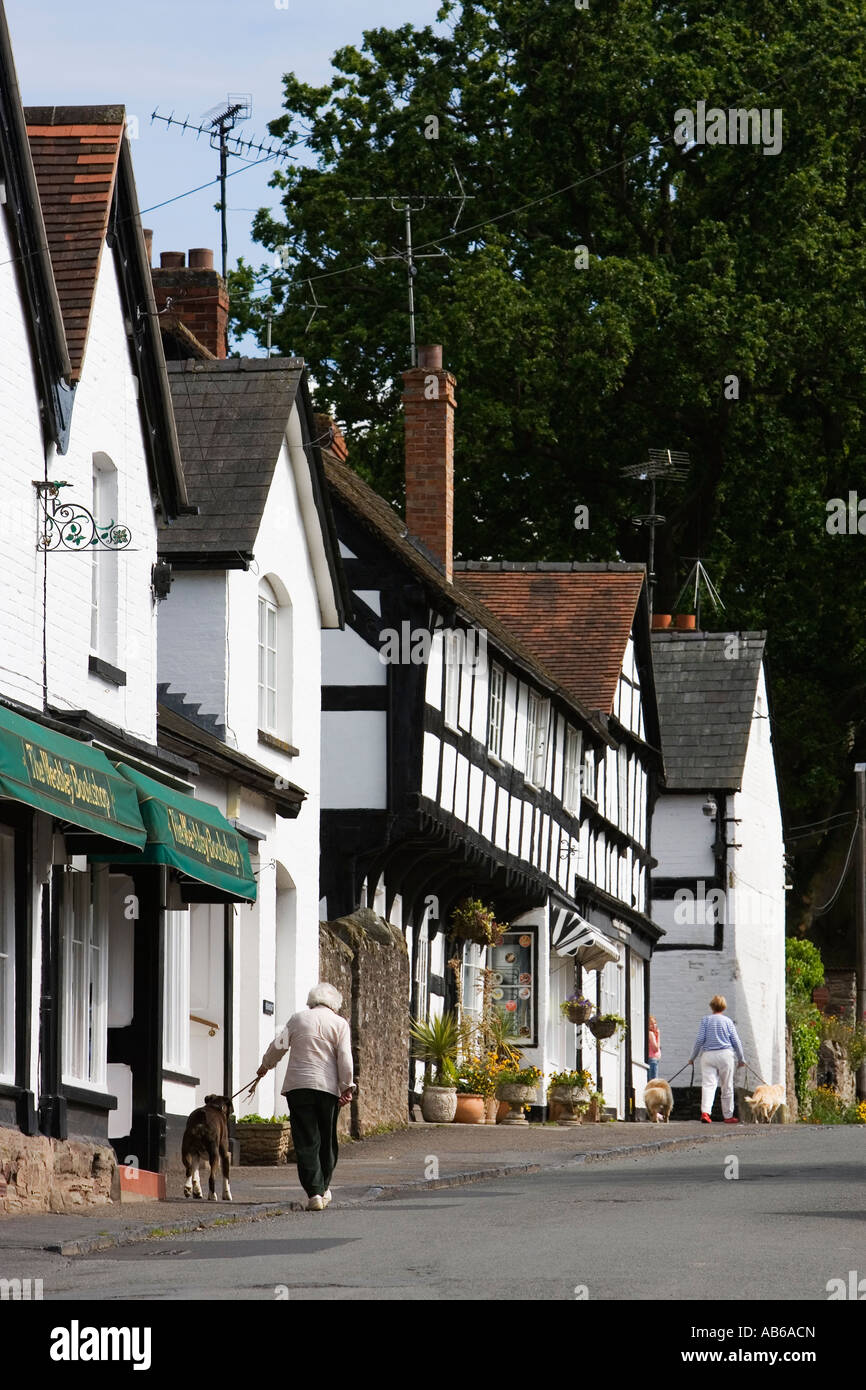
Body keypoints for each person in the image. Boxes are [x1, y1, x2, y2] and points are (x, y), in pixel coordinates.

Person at [257, 982, 355, 1210]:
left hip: (299, 1087)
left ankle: (314, 1193)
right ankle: (322, 1187)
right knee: (327, 1140)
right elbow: (344, 1058)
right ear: (335, 1004)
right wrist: (347, 1086)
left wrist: (265, 1065)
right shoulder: (340, 1024)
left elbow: (277, 1046)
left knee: (306, 1140)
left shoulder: (297, 1019)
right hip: (327, 1089)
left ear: (312, 1001)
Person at [688, 995, 745, 1124]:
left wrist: (692, 1057)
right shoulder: (728, 1021)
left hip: (708, 1055)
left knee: (708, 1085)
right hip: (725, 1055)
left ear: (711, 1006)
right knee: (727, 1085)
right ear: (723, 1007)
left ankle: (706, 1113)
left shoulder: (705, 1020)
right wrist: (741, 1059)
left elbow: (699, 1040)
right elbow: (736, 1041)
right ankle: (728, 1115)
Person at [647, 1016, 661, 1081]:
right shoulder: (651, 1033)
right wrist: (658, 1036)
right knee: (653, 1081)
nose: (653, 1025)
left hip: (654, 1060)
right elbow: (655, 1049)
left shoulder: (652, 1033)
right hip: (652, 1060)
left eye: (654, 1023)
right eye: (651, 1024)